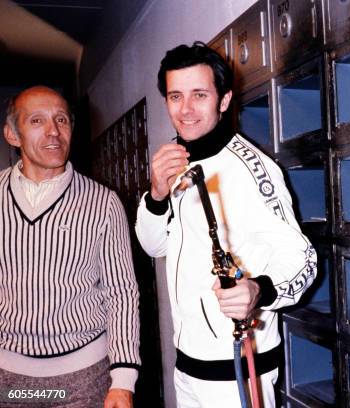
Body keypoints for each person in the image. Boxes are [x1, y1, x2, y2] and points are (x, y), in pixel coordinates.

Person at [135, 42, 317, 407]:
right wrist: (156, 195)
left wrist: (259, 291)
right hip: (187, 367)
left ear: (223, 100)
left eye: (199, 95)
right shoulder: (177, 162)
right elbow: (153, 247)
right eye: (175, 96)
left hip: (235, 371)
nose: (185, 110)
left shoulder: (253, 170)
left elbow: (304, 260)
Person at [0, 86, 140, 408]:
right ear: (12, 134)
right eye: (37, 121)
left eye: (61, 120)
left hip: (85, 378)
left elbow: (121, 292)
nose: (53, 132)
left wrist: (123, 381)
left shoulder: (103, 203)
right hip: (9, 378)